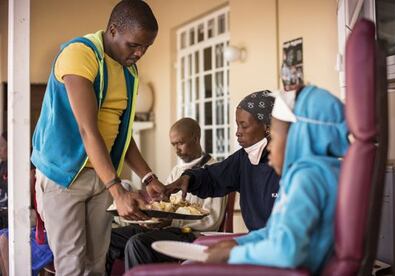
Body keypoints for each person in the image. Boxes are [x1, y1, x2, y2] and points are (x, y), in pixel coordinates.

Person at [31, 1, 165, 275]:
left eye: (146, 47)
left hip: (101, 178)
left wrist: (149, 177)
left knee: (96, 265)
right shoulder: (80, 54)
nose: (139, 53)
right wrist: (118, 190)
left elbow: (122, 135)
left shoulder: (129, 71)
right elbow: (87, 129)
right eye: (134, 45)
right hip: (65, 175)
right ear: (113, 30)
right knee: (72, 265)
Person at [204, 85, 350, 275]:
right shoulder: (330, 170)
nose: (269, 147)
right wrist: (238, 242)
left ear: (298, 136)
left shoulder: (307, 178)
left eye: (272, 137)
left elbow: (286, 252)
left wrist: (234, 254)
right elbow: (275, 231)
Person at [105, 118, 227, 273]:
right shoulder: (177, 170)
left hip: (192, 235)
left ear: (196, 138)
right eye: (173, 145)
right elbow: (165, 205)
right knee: (108, 238)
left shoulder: (214, 172)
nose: (177, 150)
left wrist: (170, 222)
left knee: (137, 243)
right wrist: (154, 219)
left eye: (180, 143)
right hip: (167, 229)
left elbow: (212, 221)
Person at [165, 91, 280, 231]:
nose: (237, 132)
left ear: (267, 128)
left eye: (244, 126)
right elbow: (213, 177)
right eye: (237, 125)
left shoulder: (295, 165)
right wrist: (190, 178)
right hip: (257, 241)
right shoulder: (242, 159)